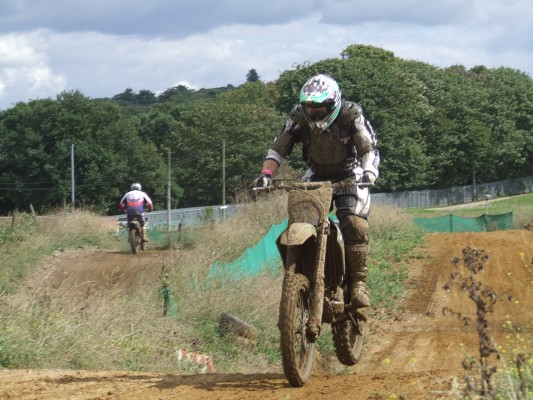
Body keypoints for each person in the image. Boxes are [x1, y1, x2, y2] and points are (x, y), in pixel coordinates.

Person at [255, 74, 380, 309]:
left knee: (353, 223)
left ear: (333, 105)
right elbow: (278, 149)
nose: (315, 115)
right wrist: (266, 175)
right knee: (302, 220)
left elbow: (368, 148)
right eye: (310, 109)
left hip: (350, 173)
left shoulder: (350, 115)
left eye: (320, 109)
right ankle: (309, 278)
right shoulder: (297, 118)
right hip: (317, 174)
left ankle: (358, 285)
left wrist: (368, 173)